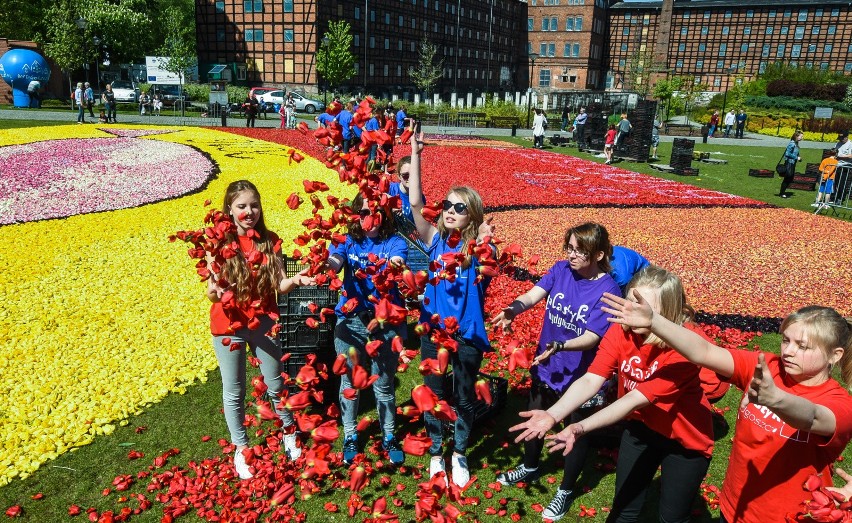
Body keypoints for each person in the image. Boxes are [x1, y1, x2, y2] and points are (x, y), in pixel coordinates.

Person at [601, 296, 852, 523]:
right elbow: (705, 351)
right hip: (734, 507)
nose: (788, 351)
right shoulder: (768, 367)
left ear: (835, 355)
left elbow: (813, 417)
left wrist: (775, 399)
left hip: (791, 515)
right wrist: (655, 321)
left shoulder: (840, 404)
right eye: (786, 340)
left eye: (802, 346)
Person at [511, 266, 716, 523]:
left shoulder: (686, 347)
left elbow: (634, 399)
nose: (630, 313)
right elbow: (591, 378)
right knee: (623, 510)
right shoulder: (621, 330)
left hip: (684, 440)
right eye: (629, 302)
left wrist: (578, 428)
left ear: (666, 313)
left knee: (672, 519)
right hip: (641, 426)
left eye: (641, 308)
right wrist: (553, 415)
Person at [493, 223, 620, 522]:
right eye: (570, 248)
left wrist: (562, 344)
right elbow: (535, 293)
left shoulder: (608, 289)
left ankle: (564, 490)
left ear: (599, 254)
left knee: (574, 431)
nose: (572, 255)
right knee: (534, 417)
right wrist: (513, 309)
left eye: (580, 251)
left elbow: (593, 336)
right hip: (547, 365)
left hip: (582, 376)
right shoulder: (561, 270)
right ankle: (530, 464)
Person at [408, 127, 497, 488]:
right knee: (433, 393)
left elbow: (475, 261)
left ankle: (458, 452)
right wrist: (416, 153)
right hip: (433, 333)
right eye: (446, 205)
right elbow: (415, 204)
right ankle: (435, 453)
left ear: (471, 216)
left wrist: (484, 238)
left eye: (459, 208)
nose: (449, 211)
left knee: (462, 396)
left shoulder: (481, 252)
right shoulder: (434, 243)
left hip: (466, 337)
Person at [206, 180, 313, 479]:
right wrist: (214, 290)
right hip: (228, 325)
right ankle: (242, 449)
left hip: (264, 320)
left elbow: (279, 284)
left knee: (276, 381)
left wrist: (296, 281)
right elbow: (211, 291)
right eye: (241, 206)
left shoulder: (270, 240)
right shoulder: (217, 242)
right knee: (234, 390)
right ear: (230, 209)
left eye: (254, 205)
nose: (249, 211)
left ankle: (289, 431)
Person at [327, 193, 408, 466]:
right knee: (349, 383)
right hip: (350, 323)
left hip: (385, 324)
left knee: (383, 385)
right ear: (354, 216)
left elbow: (398, 260)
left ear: (384, 214)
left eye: (374, 212)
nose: (369, 218)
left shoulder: (395, 242)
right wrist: (326, 264)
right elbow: (335, 262)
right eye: (362, 213)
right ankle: (350, 435)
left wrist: (395, 266)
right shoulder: (347, 240)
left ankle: (388, 436)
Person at [778, 130, 803, 198]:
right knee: (788, 177)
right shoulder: (792, 143)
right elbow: (787, 153)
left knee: (790, 178)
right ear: (797, 136)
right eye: (801, 136)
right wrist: (796, 157)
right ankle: (782, 193)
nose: (802, 138)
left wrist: (799, 157)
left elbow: (795, 152)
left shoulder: (796, 143)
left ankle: (782, 192)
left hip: (792, 162)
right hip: (789, 162)